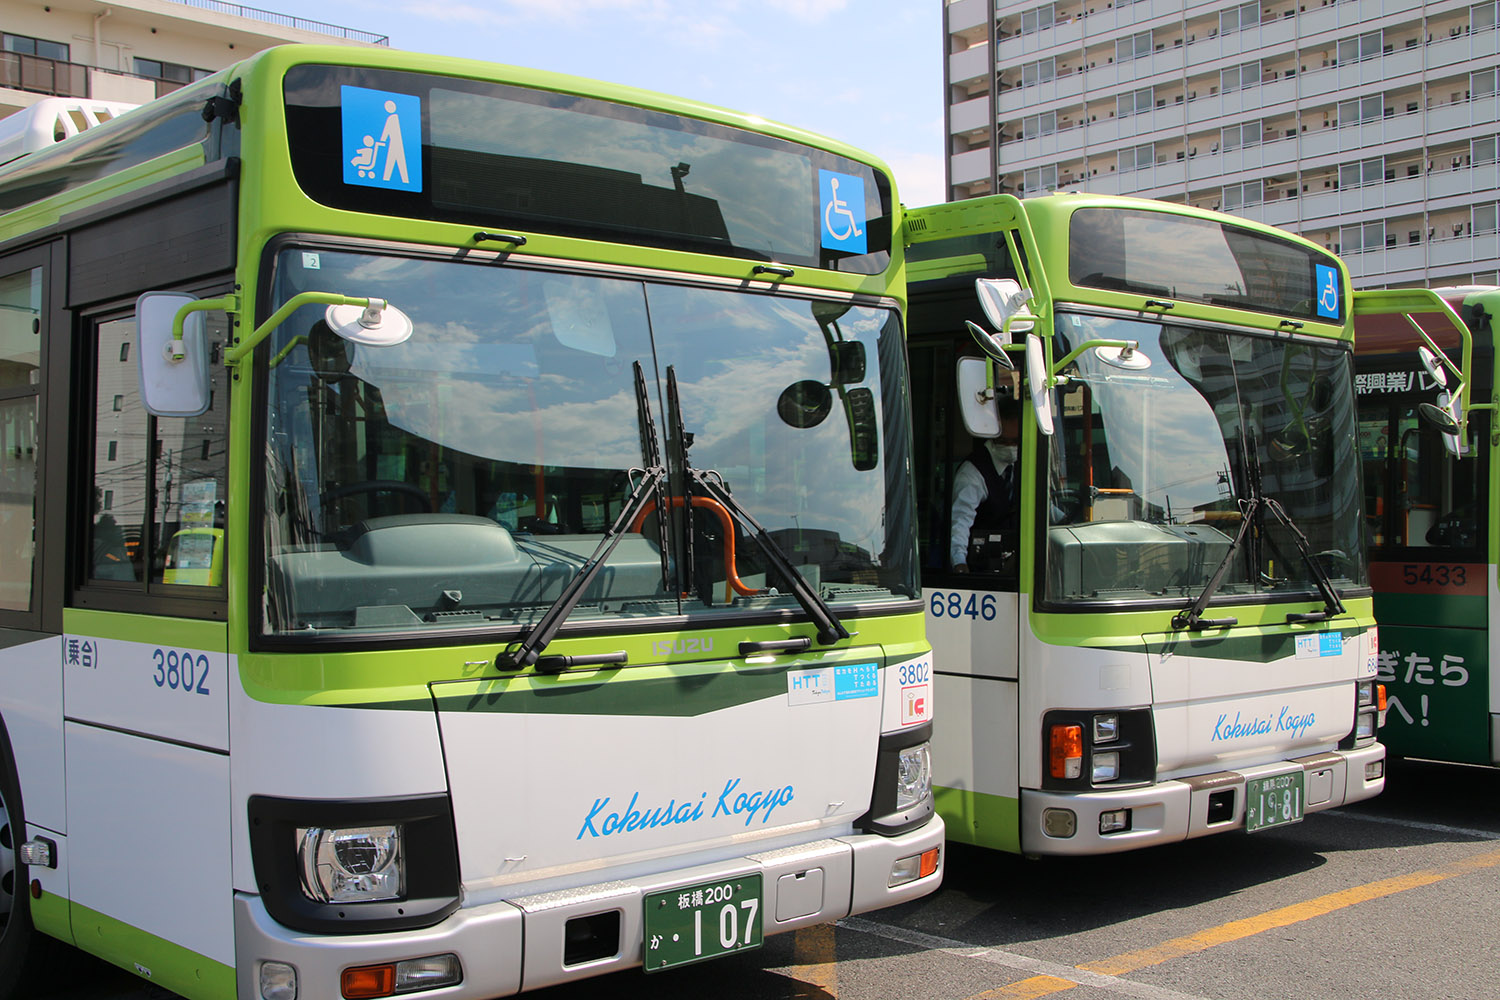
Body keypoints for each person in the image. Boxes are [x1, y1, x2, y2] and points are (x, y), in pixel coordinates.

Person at [950, 411, 1019, 573]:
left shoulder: (1023, 464)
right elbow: (960, 521)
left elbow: (1045, 508)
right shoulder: (972, 473)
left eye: (1015, 442)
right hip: (979, 565)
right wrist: (959, 562)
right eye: (1003, 441)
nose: (1010, 448)